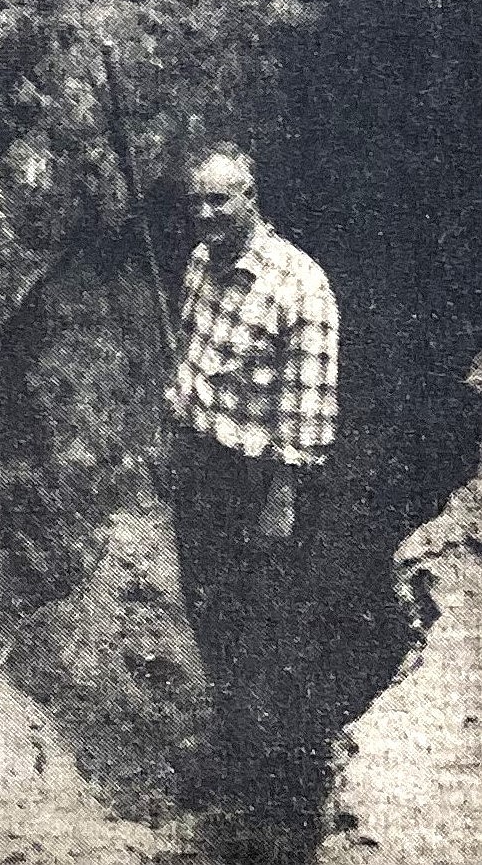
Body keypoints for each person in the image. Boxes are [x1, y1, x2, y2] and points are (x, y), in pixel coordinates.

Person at [165, 143, 339, 846]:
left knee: (266, 628)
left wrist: (281, 497)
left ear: (251, 196)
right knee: (209, 611)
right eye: (198, 201)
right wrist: (175, 430)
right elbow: (192, 357)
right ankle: (235, 755)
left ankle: (283, 802)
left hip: (263, 480)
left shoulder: (300, 286)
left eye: (221, 200)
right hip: (201, 464)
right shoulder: (202, 262)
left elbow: (310, 412)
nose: (207, 213)